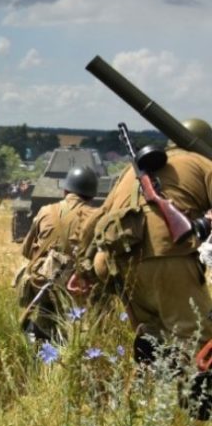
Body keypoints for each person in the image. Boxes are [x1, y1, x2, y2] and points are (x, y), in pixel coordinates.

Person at [79, 118, 212, 362]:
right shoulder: (202, 162)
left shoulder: (130, 171)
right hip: (166, 258)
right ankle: (196, 399)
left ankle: (149, 391)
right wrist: (203, 225)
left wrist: (83, 270)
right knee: (198, 343)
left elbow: (94, 222)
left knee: (152, 337)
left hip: (116, 265)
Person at [15, 167, 99, 341]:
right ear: (92, 195)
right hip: (78, 287)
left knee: (45, 324)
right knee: (76, 331)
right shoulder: (97, 216)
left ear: (65, 190)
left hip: (44, 282)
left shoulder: (46, 211)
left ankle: (41, 351)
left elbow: (28, 251)